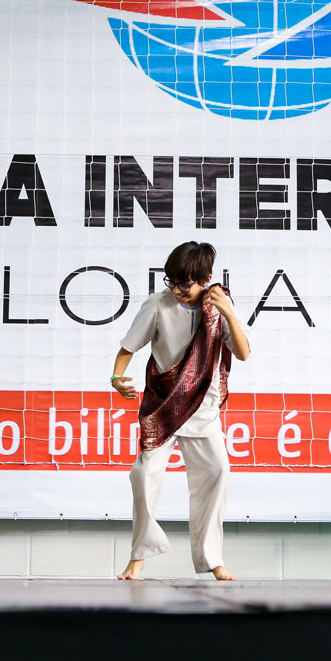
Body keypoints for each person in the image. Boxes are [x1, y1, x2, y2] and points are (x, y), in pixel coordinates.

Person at [112, 241, 251, 581]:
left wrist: (228, 313)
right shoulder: (157, 305)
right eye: (171, 282)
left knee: (217, 471)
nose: (176, 290)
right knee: (143, 475)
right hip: (163, 407)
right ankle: (139, 557)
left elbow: (243, 353)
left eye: (184, 284)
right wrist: (116, 379)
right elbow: (127, 348)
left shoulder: (219, 307)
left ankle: (212, 558)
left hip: (203, 408)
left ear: (206, 279)